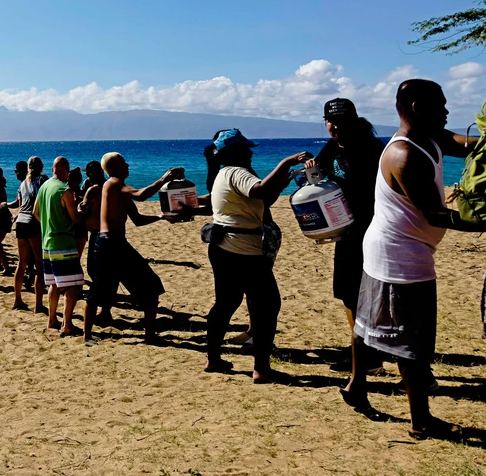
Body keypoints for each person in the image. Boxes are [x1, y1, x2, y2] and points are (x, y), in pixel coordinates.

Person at [342, 80, 483, 439]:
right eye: (442, 105)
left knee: (367, 318)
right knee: (413, 341)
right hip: (401, 255)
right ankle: (421, 420)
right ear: (418, 107)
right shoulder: (403, 154)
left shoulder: (430, 138)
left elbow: (464, 144)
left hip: (390, 248)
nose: (448, 112)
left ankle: (357, 386)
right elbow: (435, 215)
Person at [203, 129, 312, 383]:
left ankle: (213, 358)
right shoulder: (237, 172)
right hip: (244, 250)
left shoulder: (223, 173)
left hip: (223, 247)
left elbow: (262, 199)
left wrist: (281, 181)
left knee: (226, 303)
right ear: (236, 152)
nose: (251, 153)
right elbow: (261, 190)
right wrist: (286, 162)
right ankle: (261, 368)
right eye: (246, 149)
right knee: (267, 305)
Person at [305, 98, 387, 373]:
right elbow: (321, 181)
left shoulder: (372, 148)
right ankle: (361, 347)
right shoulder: (332, 146)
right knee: (347, 292)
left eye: (341, 121)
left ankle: (371, 355)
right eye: (330, 121)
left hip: (371, 230)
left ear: (354, 120)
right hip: (345, 232)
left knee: (370, 294)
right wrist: (312, 172)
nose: (335, 126)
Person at [83, 154, 186, 345]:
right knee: (151, 287)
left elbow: (138, 220)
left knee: (97, 291)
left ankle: (88, 336)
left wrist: (161, 216)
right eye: (124, 163)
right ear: (114, 167)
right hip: (113, 244)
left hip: (105, 243)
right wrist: (165, 179)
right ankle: (147, 337)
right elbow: (141, 195)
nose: (128, 165)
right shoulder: (114, 184)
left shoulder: (116, 190)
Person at [34, 157, 84, 336]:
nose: (69, 172)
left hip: (47, 243)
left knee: (54, 284)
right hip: (63, 243)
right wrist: (81, 208)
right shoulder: (65, 190)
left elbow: (36, 212)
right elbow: (75, 219)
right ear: (63, 169)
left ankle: (52, 319)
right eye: (68, 168)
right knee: (73, 286)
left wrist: (48, 225)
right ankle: (66, 324)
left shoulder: (44, 186)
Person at [79, 160, 115, 325]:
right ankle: (106, 309)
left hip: (97, 235)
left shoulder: (93, 190)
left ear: (91, 174)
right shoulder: (111, 187)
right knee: (109, 274)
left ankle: (101, 310)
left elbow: (82, 211)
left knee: (95, 273)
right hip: (113, 234)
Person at [11, 157, 47, 313]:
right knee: (40, 266)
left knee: (22, 263)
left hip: (21, 221)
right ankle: (38, 304)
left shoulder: (22, 183)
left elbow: (20, 205)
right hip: (33, 222)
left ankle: (17, 299)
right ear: (41, 167)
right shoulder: (43, 180)